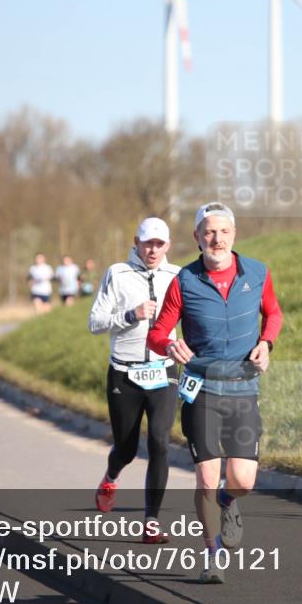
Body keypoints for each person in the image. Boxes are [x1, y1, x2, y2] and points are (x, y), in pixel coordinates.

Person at [147, 203, 283, 583]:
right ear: (196, 237)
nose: (216, 239)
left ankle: (228, 501)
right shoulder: (184, 281)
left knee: (242, 481)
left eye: (223, 231)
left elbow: (273, 313)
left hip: (243, 387)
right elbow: (157, 333)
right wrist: (169, 345)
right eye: (208, 232)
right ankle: (213, 554)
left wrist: (267, 344)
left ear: (234, 235)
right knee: (206, 478)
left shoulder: (257, 273)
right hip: (202, 388)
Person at [89, 218, 181, 544]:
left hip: (163, 370)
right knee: (126, 448)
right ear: (136, 242)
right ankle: (111, 476)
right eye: (147, 243)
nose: (153, 249)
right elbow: (95, 323)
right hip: (124, 374)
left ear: (168, 245)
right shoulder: (117, 273)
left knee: (159, 442)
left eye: (159, 243)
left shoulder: (178, 276)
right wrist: (131, 315)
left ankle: (151, 522)